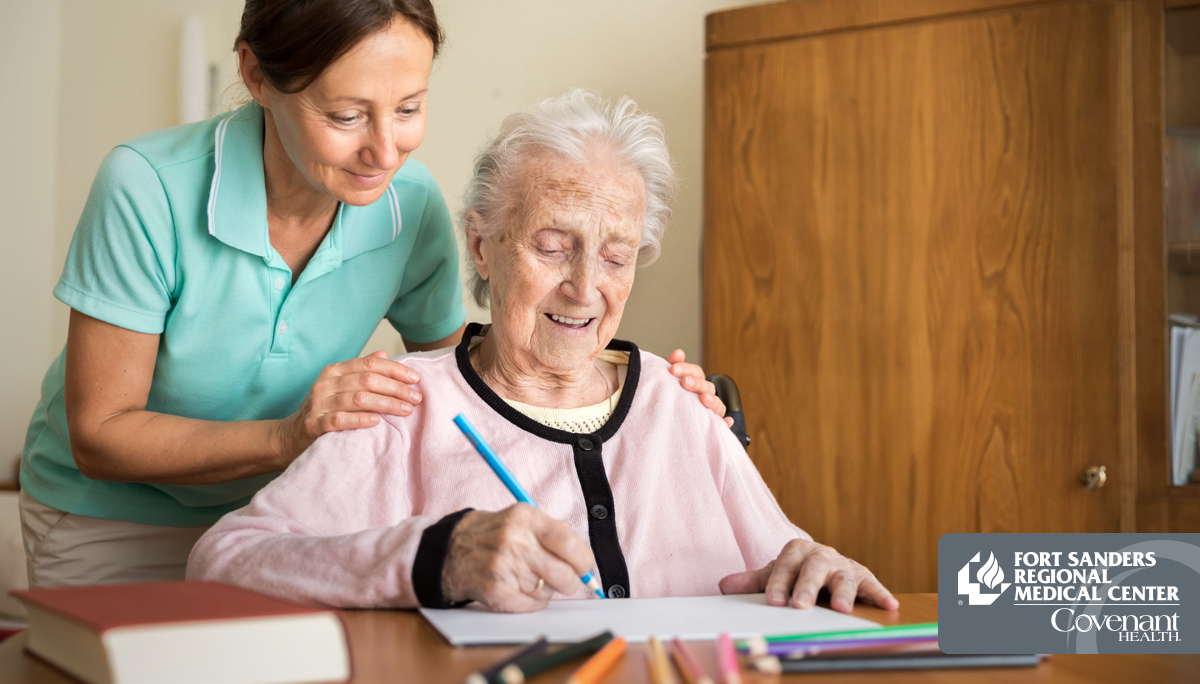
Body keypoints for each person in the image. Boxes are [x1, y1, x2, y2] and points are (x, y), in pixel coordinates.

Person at [19, 1, 721, 589]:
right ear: (256, 76)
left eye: (409, 107)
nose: (385, 151)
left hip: (295, 517)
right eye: (349, 115)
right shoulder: (147, 188)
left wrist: (637, 391)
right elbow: (101, 436)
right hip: (113, 520)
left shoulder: (406, 206)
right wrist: (290, 434)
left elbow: (470, 379)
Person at [187, 90, 899, 615]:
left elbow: (790, 556)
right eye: (552, 247)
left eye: (616, 256)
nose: (585, 288)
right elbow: (222, 561)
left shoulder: (680, 405)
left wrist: (815, 561)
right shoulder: (405, 403)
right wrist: (434, 557)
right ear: (481, 247)